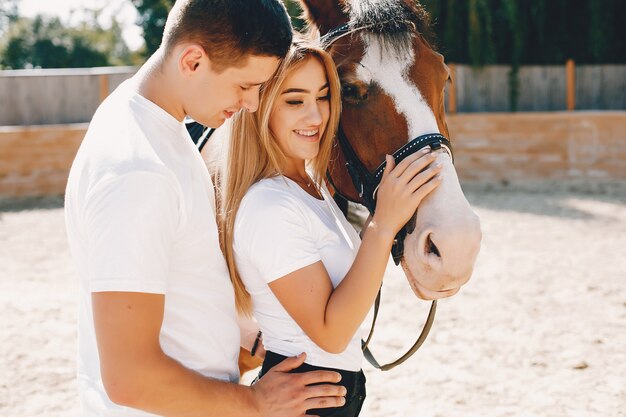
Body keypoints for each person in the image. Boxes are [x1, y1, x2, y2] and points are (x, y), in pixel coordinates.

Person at [64, 2, 348, 417]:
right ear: (193, 60)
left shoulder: (152, 122)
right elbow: (129, 376)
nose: (252, 104)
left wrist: (234, 336)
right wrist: (254, 402)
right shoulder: (139, 172)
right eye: (245, 86)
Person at [221, 38, 443, 416]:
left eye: (323, 97)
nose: (316, 116)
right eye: (295, 101)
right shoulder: (269, 206)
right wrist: (383, 222)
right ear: (259, 108)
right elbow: (331, 332)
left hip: (335, 395)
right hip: (307, 398)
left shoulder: (313, 188)